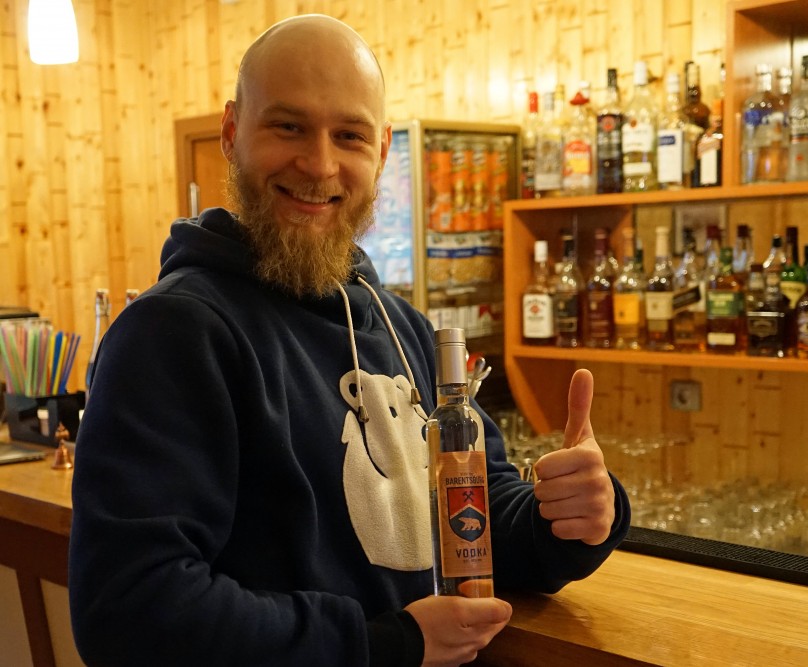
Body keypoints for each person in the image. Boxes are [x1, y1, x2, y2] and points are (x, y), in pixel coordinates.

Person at [69, 14, 630, 667]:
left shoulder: (402, 326)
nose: (319, 164)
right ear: (231, 133)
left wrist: (567, 515)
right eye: (288, 126)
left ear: (383, 149)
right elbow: (131, 611)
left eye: (350, 135)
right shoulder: (173, 335)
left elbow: (475, 509)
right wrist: (387, 642)